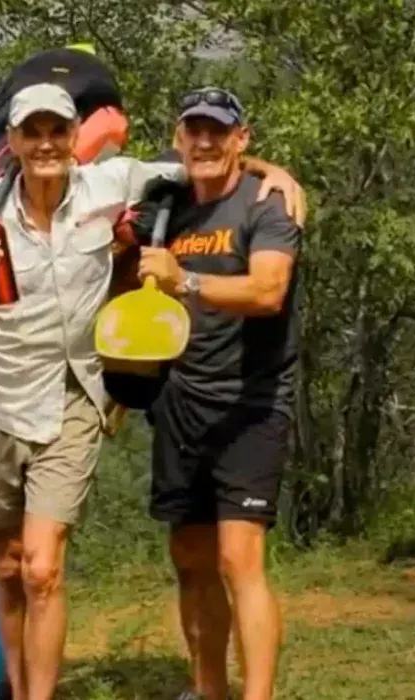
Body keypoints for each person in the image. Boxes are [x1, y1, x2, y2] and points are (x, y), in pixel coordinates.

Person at [0, 82, 304, 700]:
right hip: (10, 397)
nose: (45, 144)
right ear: (12, 142)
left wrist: (271, 171)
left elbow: (226, 208)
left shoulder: (135, 186)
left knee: (55, 566)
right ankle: (186, 690)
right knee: (20, 567)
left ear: (74, 139)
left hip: (117, 399)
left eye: (57, 131)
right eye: (31, 132)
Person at [132, 86, 304, 700]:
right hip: (179, 403)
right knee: (190, 558)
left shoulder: (267, 203)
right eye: (193, 130)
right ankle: (209, 690)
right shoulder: (164, 204)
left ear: (241, 138)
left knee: (239, 559)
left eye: (218, 131)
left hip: (249, 404)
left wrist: (188, 280)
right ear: (178, 138)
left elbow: (267, 292)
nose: (204, 141)